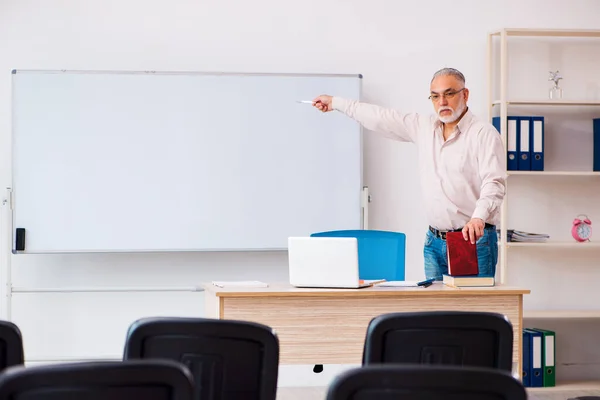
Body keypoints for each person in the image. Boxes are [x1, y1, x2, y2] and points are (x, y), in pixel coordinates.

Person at [312, 67, 506, 280]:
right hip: (434, 242)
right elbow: (381, 118)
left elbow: (494, 182)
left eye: (449, 94)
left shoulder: (483, 133)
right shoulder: (424, 127)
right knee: (434, 312)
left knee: (472, 311)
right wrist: (336, 103)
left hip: (471, 241)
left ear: (465, 94)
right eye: (435, 96)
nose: (442, 102)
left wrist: (478, 217)